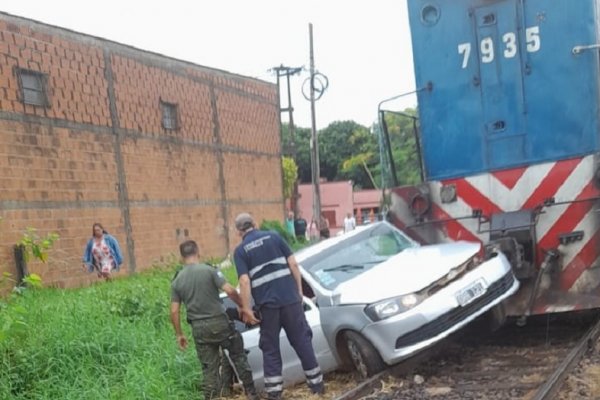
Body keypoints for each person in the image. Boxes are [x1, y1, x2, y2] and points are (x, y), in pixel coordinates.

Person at [233, 213, 324, 400]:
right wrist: (299, 291)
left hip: (268, 307)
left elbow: (244, 281)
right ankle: (317, 387)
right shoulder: (274, 237)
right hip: (290, 301)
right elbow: (294, 264)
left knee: (271, 348)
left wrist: (247, 309)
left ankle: (275, 394)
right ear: (255, 224)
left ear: (238, 232)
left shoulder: (241, 251)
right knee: (302, 341)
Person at [170, 240, 259, 400]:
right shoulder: (209, 270)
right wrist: (243, 306)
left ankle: (212, 397)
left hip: (199, 329)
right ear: (198, 252)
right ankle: (251, 393)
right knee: (238, 356)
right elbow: (230, 290)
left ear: (181, 257)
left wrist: (179, 334)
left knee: (208, 369)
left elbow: (174, 310)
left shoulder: (177, 280)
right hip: (220, 323)